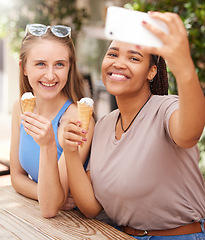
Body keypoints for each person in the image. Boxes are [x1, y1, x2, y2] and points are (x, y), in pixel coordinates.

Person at [63, 11, 205, 239]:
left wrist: (183, 65)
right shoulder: (104, 125)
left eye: (134, 58)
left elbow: (190, 133)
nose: (119, 63)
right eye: (112, 54)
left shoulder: (166, 108)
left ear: (151, 72)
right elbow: (91, 207)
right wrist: (70, 151)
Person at [10, 24, 95, 218]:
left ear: (69, 67)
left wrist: (48, 144)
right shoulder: (20, 108)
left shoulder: (79, 122)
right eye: (40, 64)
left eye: (59, 64)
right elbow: (16, 177)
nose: (50, 75)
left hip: (78, 225)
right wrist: (49, 195)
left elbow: (50, 209)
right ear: (23, 68)